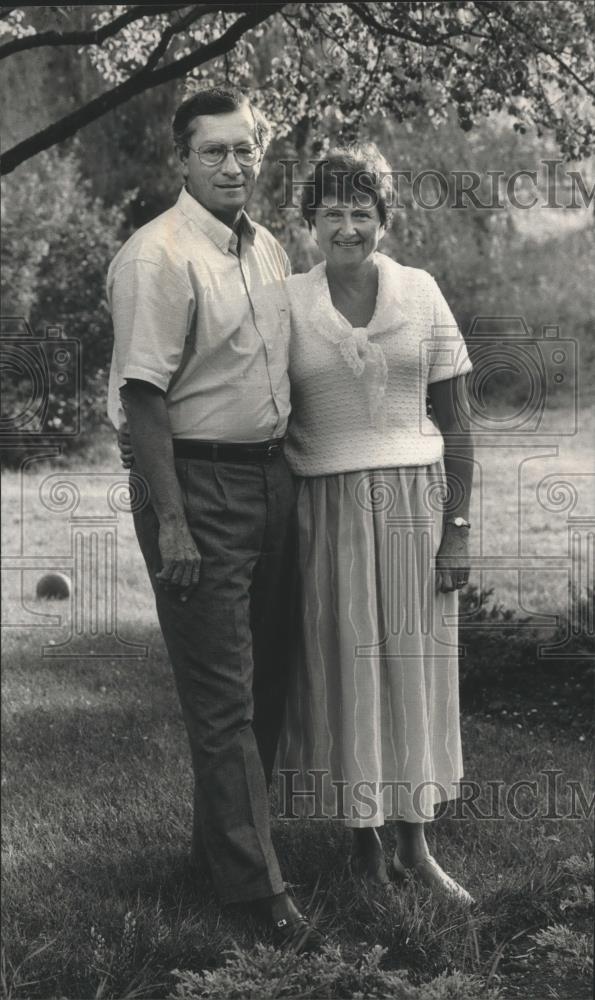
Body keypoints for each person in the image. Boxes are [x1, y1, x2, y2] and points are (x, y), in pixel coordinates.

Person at [107, 83, 323, 951]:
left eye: (245, 149)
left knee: (267, 683)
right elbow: (142, 398)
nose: (234, 165)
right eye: (215, 151)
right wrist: (172, 523)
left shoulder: (264, 246)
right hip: (194, 488)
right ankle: (254, 899)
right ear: (182, 160)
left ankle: (220, 856)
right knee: (222, 700)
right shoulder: (156, 256)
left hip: (271, 480)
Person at [276, 144, 475, 905]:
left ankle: (417, 847)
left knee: (412, 675)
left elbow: (455, 422)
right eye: (332, 213)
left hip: (415, 510)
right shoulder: (286, 300)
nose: (348, 227)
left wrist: (455, 527)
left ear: (384, 220)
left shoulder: (420, 293)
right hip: (322, 510)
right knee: (343, 671)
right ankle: (362, 846)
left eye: (363, 212)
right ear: (309, 222)